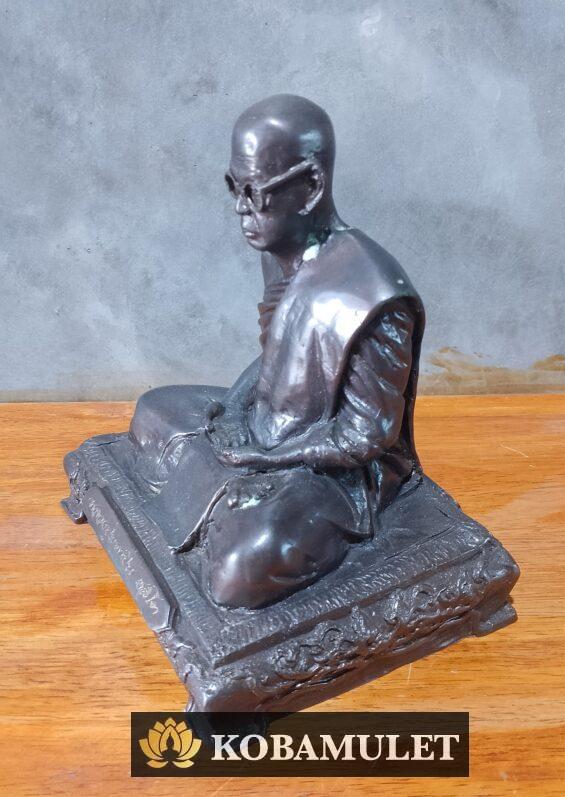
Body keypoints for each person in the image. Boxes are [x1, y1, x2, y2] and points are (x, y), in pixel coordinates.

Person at [129, 94, 425, 609]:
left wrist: (264, 458)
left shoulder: (373, 295)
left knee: (238, 572)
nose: (241, 209)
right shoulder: (280, 247)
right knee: (153, 411)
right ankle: (226, 496)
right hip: (268, 423)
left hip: (337, 469)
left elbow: (365, 438)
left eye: (255, 192)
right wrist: (232, 410)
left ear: (310, 186)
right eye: (234, 187)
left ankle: (229, 503)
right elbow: (273, 357)